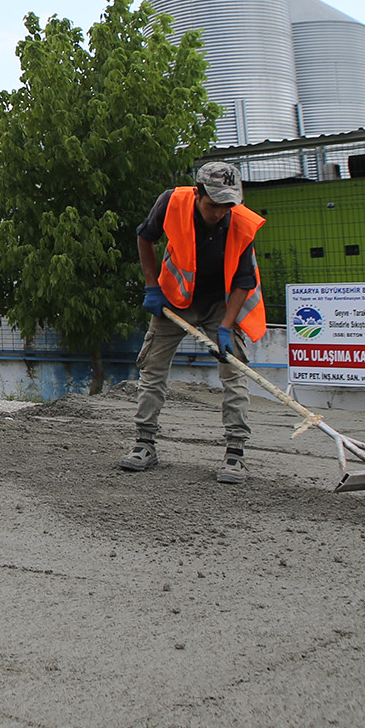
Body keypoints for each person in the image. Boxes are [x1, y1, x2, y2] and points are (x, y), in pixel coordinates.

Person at [125, 160, 264, 485]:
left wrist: (227, 327)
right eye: (214, 205)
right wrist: (151, 286)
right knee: (153, 369)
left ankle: (235, 453)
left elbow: (245, 281)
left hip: (221, 302)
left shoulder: (241, 222)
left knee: (234, 372)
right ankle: (145, 444)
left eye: (227, 205)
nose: (220, 212)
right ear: (198, 193)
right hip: (175, 299)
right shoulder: (171, 201)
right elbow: (145, 238)